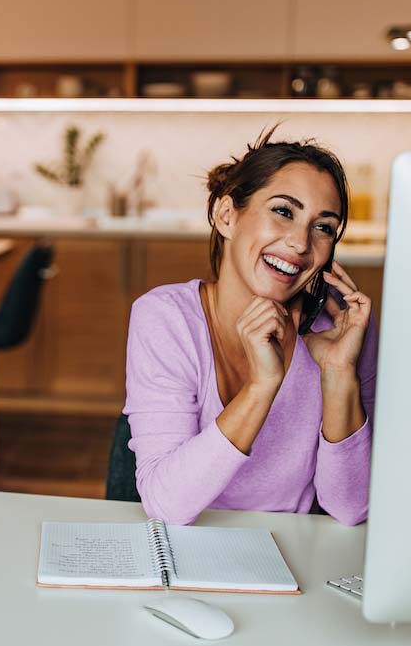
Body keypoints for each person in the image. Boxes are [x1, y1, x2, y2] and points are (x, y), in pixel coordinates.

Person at [123, 128, 377, 526]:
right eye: (283, 211)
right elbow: (166, 504)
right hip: (184, 548)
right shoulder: (166, 318)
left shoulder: (341, 329)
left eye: (323, 226)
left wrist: (339, 373)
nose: (300, 243)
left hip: (290, 557)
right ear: (227, 216)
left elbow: (349, 508)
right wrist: (261, 387)